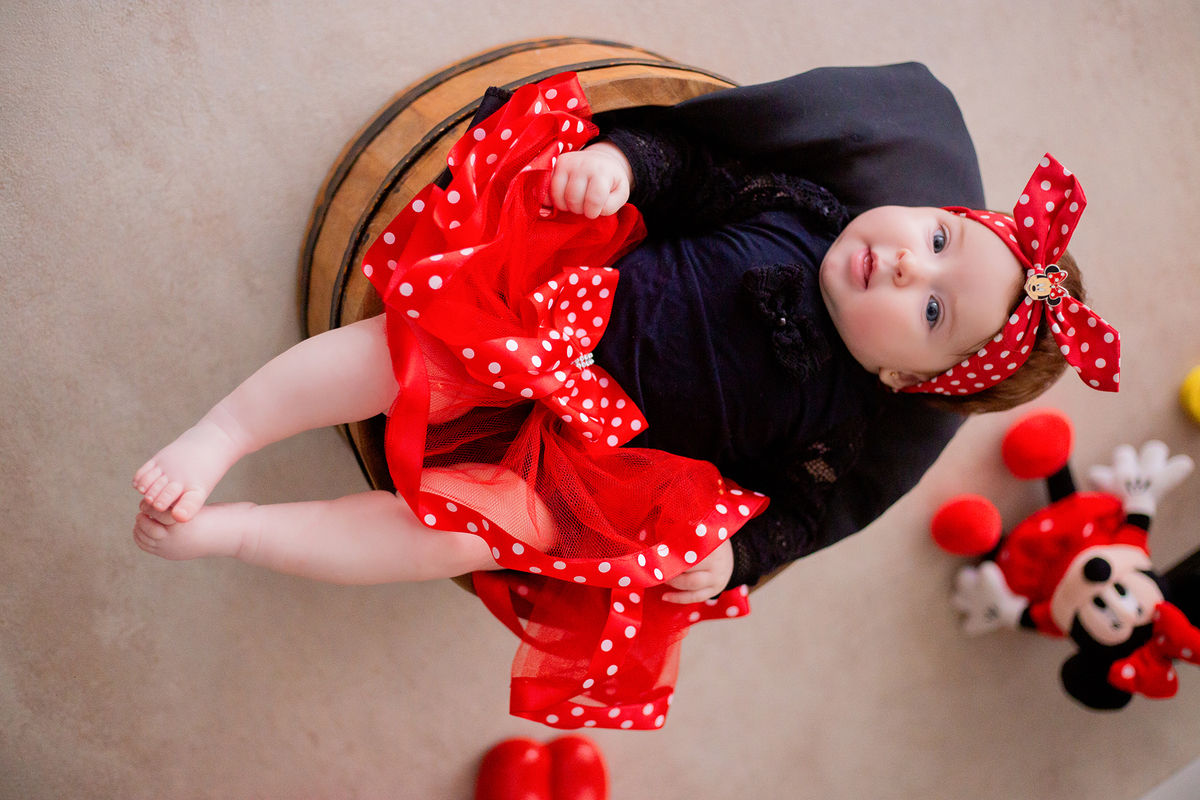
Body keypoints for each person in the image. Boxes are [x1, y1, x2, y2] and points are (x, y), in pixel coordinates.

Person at [131, 70, 1119, 728]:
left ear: (912, 380)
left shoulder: (846, 418)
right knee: (400, 355)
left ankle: (248, 530)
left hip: (598, 462)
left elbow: (806, 508)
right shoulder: (803, 210)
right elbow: (689, 167)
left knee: (464, 534)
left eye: (934, 308)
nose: (906, 262)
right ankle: (223, 433)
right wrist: (618, 165)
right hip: (562, 317)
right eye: (939, 238)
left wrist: (736, 551)